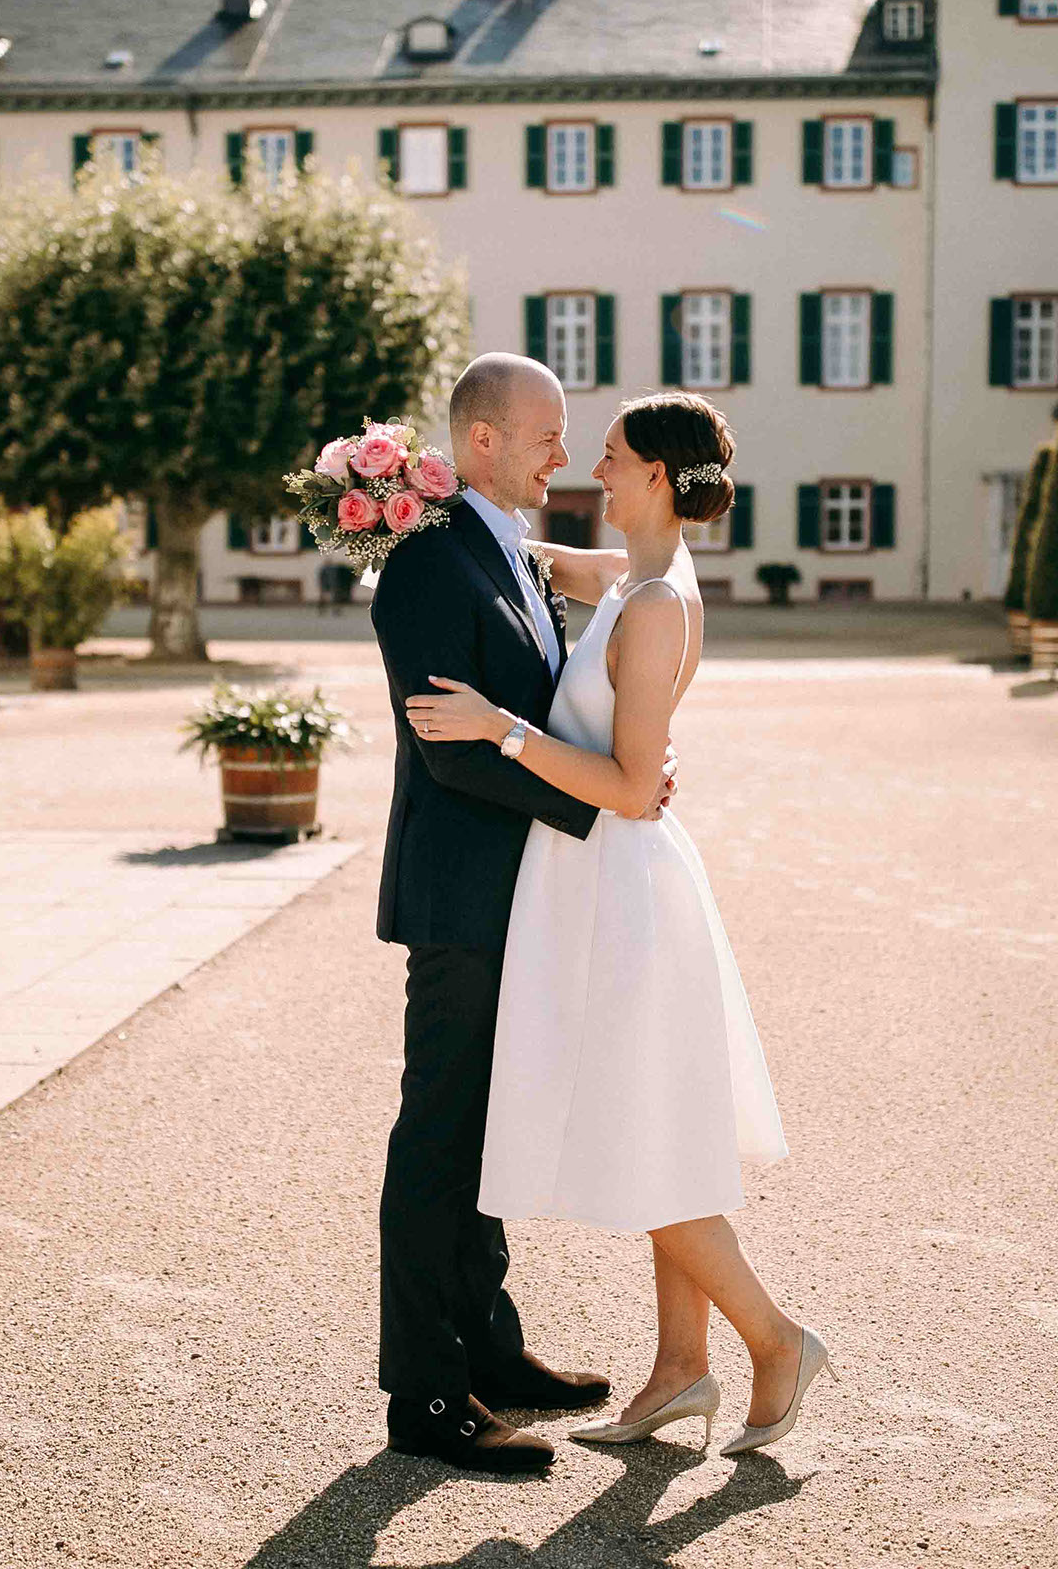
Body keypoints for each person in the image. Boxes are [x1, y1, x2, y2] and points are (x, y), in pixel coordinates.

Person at [406, 390, 831, 1459]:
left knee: (647, 1140)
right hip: (606, 886)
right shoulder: (639, 575)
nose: (589, 463)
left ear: (653, 476)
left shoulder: (652, 605)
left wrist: (501, 729)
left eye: (609, 453)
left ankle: (775, 1340)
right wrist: (423, 503)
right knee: (662, 1131)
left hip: (625, 892)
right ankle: (678, 1374)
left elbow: (636, 787)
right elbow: (533, 558)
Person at [367, 352, 673, 1474]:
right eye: (547, 433)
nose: (563, 451)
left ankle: (490, 1349)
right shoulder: (425, 568)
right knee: (438, 1137)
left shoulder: (509, 552)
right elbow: (451, 755)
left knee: (489, 1130)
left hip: (523, 895)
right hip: (461, 899)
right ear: (483, 442)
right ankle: (423, 1392)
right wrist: (607, 802)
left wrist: (620, 769)